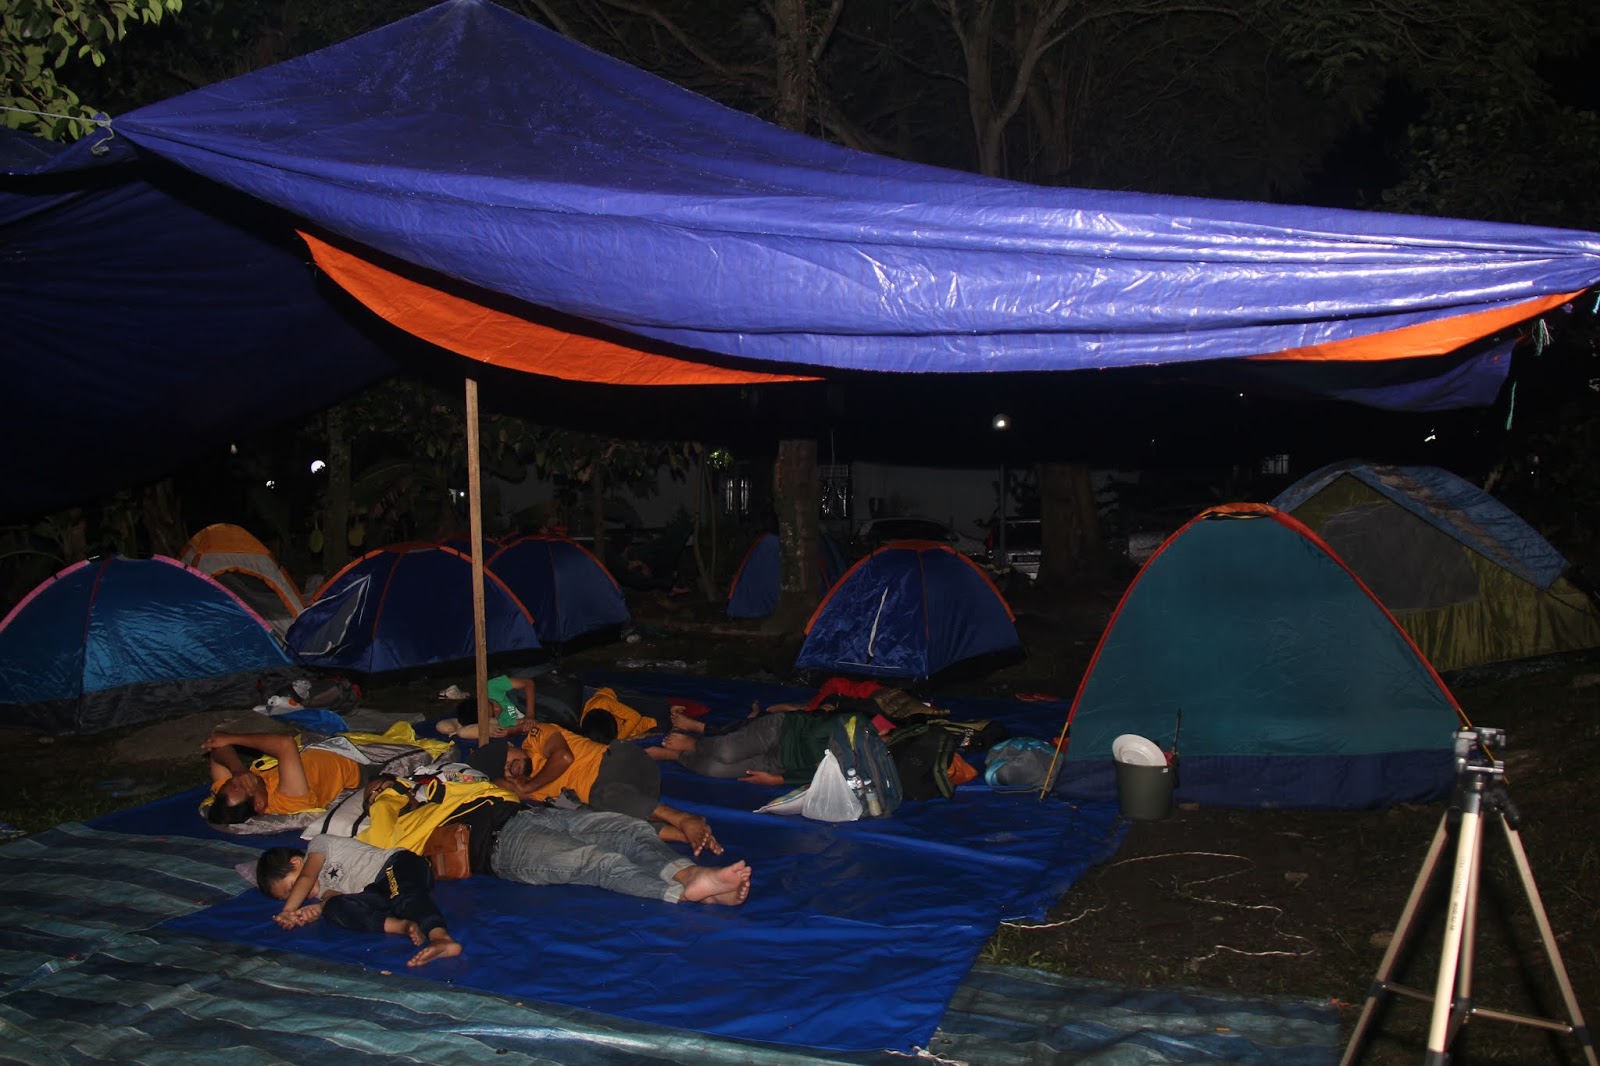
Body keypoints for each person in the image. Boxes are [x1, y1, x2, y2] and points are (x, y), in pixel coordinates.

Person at [360, 776, 750, 907]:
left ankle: (692, 875)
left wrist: (420, 786)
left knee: (630, 830)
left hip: (533, 814)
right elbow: (377, 842)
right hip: (502, 848)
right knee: (600, 861)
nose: (392, 788)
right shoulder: (398, 829)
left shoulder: (438, 795)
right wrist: (384, 797)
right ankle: (683, 893)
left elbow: (492, 787)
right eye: (380, 791)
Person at [466, 733, 720, 856]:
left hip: (623, 763)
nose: (510, 768)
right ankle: (683, 834)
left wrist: (530, 786)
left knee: (603, 796)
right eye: (503, 771)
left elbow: (564, 757)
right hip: (628, 799)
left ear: (511, 745)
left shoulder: (536, 738)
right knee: (596, 822)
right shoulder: (529, 790)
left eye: (506, 758)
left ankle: (684, 818)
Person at [256, 837, 462, 968]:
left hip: (397, 866)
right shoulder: (322, 890)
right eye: (289, 896)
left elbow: (307, 877)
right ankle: (402, 926)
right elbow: (341, 900)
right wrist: (318, 908)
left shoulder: (317, 846)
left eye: (292, 889)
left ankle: (440, 938)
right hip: (378, 892)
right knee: (333, 909)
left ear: (296, 863)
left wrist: (289, 910)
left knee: (402, 895)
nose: (298, 895)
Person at [649, 708, 892, 787]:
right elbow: (812, 736)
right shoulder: (855, 721)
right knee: (726, 752)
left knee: (714, 769)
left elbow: (818, 777)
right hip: (782, 731)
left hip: (780, 763)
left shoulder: (868, 759)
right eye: (881, 735)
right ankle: (695, 742)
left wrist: (779, 779)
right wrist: (823, 762)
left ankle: (677, 756)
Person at [204, 730, 363, 825]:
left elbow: (216, 744)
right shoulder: (287, 801)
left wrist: (236, 768)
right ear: (259, 804)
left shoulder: (229, 793)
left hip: (315, 745)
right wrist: (233, 739)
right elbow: (285, 744)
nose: (237, 779)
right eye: (241, 784)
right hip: (354, 757)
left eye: (232, 780)